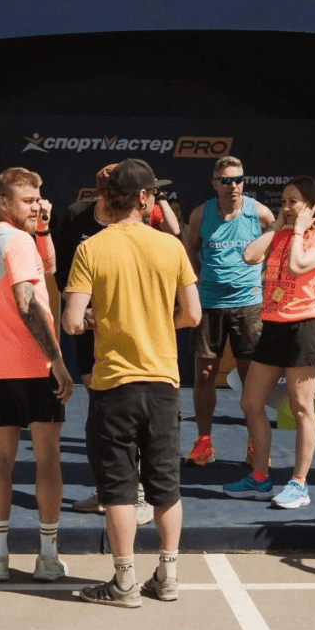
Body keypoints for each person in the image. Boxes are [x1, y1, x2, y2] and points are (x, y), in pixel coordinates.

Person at [63, 158, 202, 607]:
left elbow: (71, 322)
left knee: (119, 488)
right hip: (162, 381)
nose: (157, 198)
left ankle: (124, 582)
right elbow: (193, 314)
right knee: (166, 486)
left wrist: (100, 320)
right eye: (154, 193)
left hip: (113, 384)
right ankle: (168, 576)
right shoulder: (171, 247)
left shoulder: (92, 248)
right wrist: (157, 322)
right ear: (143, 198)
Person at [0, 168, 75, 583]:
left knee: (1, 458)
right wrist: (57, 359)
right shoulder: (18, 242)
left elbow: (46, 268)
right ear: (3, 202)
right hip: (35, 364)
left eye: (38, 200)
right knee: (47, 458)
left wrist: (42, 227)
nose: (36, 207)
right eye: (27, 201)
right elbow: (28, 301)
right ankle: (47, 557)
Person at [222, 176, 315, 509]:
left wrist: (299, 230)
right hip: (272, 327)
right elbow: (249, 255)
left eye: (293, 202)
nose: (286, 207)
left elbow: (298, 265)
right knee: (250, 402)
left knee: (302, 408)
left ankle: (299, 484)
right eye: (283, 201)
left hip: (302, 328)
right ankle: (260, 478)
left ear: (311, 205)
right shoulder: (281, 232)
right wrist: (279, 226)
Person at [56, 164, 152, 524]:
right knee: (100, 417)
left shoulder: (137, 224)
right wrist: (83, 310)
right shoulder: (75, 215)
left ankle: (137, 492)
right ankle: (107, 490)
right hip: (89, 333)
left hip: (129, 335)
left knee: (129, 417)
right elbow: (62, 272)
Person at [179, 155, 274, 466]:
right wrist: (196, 282)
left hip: (248, 305)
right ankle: (204, 443)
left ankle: (254, 444)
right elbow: (189, 250)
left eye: (238, 179)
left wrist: (260, 280)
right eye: (226, 180)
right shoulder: (200, 214)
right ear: (215, 184)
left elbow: (276, 252)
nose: (233, 185)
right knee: (205, 374)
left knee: (250, 378)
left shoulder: (260, 214)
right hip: (209, 304)